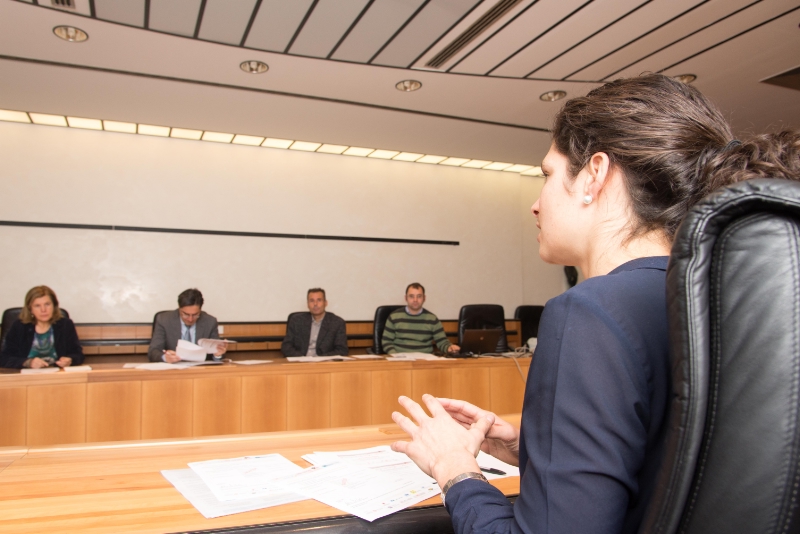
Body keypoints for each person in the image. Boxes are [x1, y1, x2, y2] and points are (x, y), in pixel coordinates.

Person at [389, 74, 800, 533]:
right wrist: (533, 446)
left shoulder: (590, 311)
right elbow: (671, 463)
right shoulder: (714, 300)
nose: (535, 204)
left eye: (547, 175)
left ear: (595, 175)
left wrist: (455, 468)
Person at [0, 285, 84, 369]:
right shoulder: (19, 327)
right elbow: (4, 358)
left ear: (54, 306)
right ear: (30, 309)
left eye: (47, 304)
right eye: (37, 306)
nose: (43, 310)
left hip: (57, 373)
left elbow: (78, 354)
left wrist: (70, 360)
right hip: (27, 374)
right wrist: (28, 362)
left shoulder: (65, 325)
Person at [148, 288, 226, 362]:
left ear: (200, 310)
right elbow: (153, 351)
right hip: (174, 368)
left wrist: (217, 355)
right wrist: (165, 357)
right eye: (186, 314)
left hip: (200, 368)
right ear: (179, 308)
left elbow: (217, 353)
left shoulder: (210, 322)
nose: (190, 319)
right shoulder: (164, 320)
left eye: (195, 315)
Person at [381, 283, 460, 355]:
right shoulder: (394, 316)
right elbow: (386, 341)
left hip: (424, 360)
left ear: (424, 298)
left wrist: (449, 347)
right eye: (411, 296)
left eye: (419, 296)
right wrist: (396, 355)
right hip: (400, 358)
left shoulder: (432, 319)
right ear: (406, 298)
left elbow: (442, 341)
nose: (415, 300)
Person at [281, 288, 348, 357]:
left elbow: (342, 350)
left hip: (324, 361)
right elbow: (286, 346)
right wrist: (302, 358)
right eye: (311, 301)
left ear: (325, 303)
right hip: (300, 360)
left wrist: (320, 359)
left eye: (319, 300)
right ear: (307, 304)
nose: (315, 304)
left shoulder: (337, 323)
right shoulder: (296, 321)